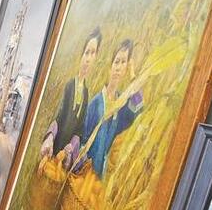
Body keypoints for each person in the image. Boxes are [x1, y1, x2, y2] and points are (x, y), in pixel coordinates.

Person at [79, 39, 142, 178]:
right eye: (116, 62)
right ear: (110, 66)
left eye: (123, 62)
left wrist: (133, 74)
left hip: (100, 176)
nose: (118, 68)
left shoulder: (121, 105)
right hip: (85, 174)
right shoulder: (96, 103)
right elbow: (82, 140)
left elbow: (138, 108)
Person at [40, 28, 101, 161]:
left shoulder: (86, 94)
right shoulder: (69, 85)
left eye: (93, 54)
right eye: (87, 53)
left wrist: (71, 146)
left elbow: (79, 129)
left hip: (64, 157)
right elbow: (59, 116)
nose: (88, 59)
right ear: (81, 55)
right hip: (52, 148)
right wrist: (50, 138)